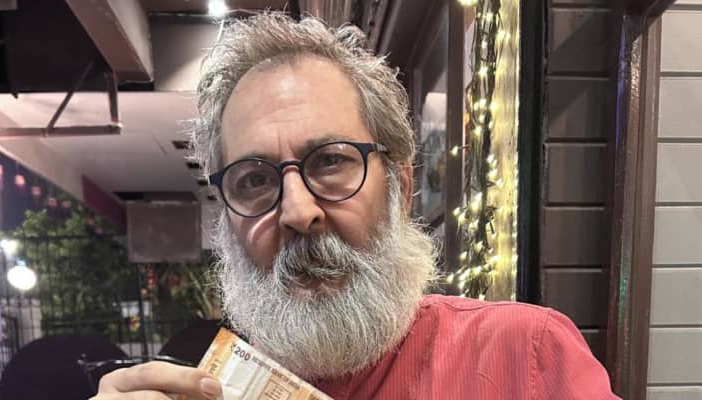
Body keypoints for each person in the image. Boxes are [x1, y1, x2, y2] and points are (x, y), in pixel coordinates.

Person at [91, 12, 620, 400]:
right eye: (255, 180)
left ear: (400, 184)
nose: (297, 211)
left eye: (330, 161)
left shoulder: (525, 357)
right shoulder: (207, 390)